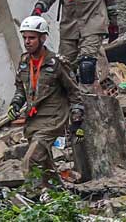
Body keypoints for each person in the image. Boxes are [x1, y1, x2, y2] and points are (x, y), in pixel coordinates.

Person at [7, 15, 84, 181]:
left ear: (43, 38)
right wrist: (15, 104)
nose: (27, 42)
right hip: (32, 120)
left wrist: (77, 119)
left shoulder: (57, 63)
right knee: (44, 161)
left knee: (31, 160)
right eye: (25, 38)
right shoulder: (24, 62)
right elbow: (21, 89)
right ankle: (57, 193)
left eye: (32, 38)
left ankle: (34, 197)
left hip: (53, 119)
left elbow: (74, 91)